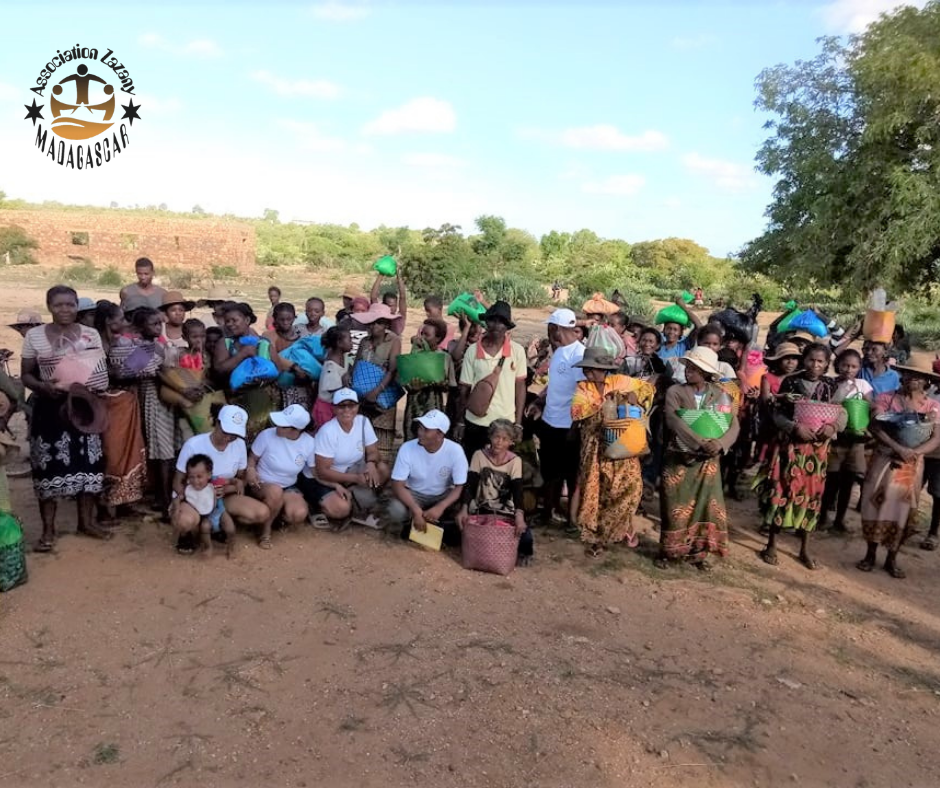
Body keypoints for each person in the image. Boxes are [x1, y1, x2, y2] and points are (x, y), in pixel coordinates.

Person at [21, 285, 111, 550]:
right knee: (47, 466)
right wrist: (41, 387)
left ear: (76, 306)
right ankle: (48, 531)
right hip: (49, 408)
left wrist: (95, 386)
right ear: (49, 307)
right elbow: (26, 374)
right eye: (59, 305)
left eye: (70, 305)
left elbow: (98, 369)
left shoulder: (90, 333)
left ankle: (86, 523)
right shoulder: (35, 336)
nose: (65, 310)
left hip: (84, 406)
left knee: (89, 464)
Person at [759, 343, 844, 569]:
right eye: (810, 360)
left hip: (817, 452)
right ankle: (772, 543)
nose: (815, 365)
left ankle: (804, 548)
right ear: (803, 360)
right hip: (792, 447)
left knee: (812, 496)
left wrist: (833, 427)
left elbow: (841, 412)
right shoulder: (791, 382)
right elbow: (777, 413)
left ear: (827, 364)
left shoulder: (831, 386)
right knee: (783, 489)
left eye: (820, 361)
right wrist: (794, 427)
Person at [658, 347, 740, 569]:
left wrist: (720, 444)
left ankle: (699, 552)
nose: (688, 372)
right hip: (679, 457)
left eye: (695, 369)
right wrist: (700, 442)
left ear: (706, 372)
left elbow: (732, 424)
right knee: (674, 505)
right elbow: (673, 420)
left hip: (709, 461)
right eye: (688, 368)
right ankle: (668, 551)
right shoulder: (675, 391)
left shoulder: (720, 393)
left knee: (706, 506)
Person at [569, 347, 654, 558]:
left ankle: (620, 527)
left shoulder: (620, 381)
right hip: (594, 447)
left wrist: (634, 398)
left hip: (621, 444)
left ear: (603, 369)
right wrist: (603, 400)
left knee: (630, 487)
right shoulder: (583, 388)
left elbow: (647, 390)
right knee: (597, 490)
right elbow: (577, 412)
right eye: (586, 369)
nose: (588, 373)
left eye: (593, 369)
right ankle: (599, 536)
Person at [857, 365, 940, 578]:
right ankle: (870, 553)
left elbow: (936, 439)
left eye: (918, 376)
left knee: (904, 508)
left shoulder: (932, 406)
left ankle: (892, 557)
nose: (912, 379)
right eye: (908, 374)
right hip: (885, 457)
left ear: (926, 381)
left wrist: (913, 452)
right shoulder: (886, 398)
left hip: (911, 464)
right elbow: (875, 426)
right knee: (875, 502)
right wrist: (899, 448)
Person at [171, 405, 270, 553]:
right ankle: (187, 533)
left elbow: (241, 479)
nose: (229, 438)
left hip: (221, 495)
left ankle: (216, 524)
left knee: (262, 513)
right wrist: (186, 499)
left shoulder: (239, 444)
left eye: (234, 435)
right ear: (217, 423)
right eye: (226, 432)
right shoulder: (194, 445)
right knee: (185, 521)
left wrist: (227, 489)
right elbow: (177, 481)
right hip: (192, 495)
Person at [525, 308, 584, 527]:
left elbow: (581, 392)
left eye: (550, 328)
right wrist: (540, 402)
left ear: (557, 328)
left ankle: (571, 518)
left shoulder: (579, 354)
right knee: (549, 470)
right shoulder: (559, 351)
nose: (549, 332)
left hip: (568, 424)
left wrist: (575, 425)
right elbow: (555, 385)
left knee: (569, 471)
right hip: (550, 419)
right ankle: (547, 512)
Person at [297, 388, 389, 527]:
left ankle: (358, 501)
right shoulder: (328, 432)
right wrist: (356, 479)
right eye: (341, 406)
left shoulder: (363, 422)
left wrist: (370, 464)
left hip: (349, 470)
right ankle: (315, 505)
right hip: (321, 479)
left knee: (382, 468)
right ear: (334, 409)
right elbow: (323, 472)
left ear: (358, 406)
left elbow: (373, 451)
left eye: (351, 405)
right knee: (341, 509)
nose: (347, 410)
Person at [455, 301, 527, 460]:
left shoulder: (517, 351)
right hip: (475, 421)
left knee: (499, 471)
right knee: (473, 467)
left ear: (507, 327)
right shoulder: (472, 351)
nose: (496, 325)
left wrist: (519, 423)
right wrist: (460, 422)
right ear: (486, 322)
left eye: (502, 322)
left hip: (505, 422)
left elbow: (520, 387)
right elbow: (464, 389)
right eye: (492, 320)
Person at [95, 301, 146, 518]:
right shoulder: (96, 343)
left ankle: (124, 502)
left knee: (128, 451)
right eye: (121, 318)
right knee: (110, 453)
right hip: (106, 405)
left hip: (124, 404)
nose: (125, 323)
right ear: (108, 321)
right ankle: (105, 506)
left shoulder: (119, 342)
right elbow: (104, 376)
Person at [458, 418, 533, 564]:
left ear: (511, 442)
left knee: (525, 536)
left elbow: (518, 491)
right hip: (481, 509)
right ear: (490, 437)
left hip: (505, 512)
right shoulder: (479, 455)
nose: (499, 442)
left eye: (505, 439)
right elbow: (471, 485)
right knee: (456, 529)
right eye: (496, 437)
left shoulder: (515, 461)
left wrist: (519, 515)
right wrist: (464, 509)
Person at [386, 409, 468, 543]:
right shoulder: (407, 448)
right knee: (395, 510)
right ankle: (417, 521)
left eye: (426, 430)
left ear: (440, 434)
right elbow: (398, 485)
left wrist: (441, 506)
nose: (420, 432)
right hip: (414, 493)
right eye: (420, 428)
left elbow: (460, 486)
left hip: (441, 494)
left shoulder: (455, 451)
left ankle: (425, 524)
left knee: (461, 512)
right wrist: (416, 509)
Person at [246, 405, 316, 549]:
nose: (277, 425)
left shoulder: (309, 442)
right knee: (275, 491)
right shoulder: (266, 435)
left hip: (288, 485)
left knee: (298, 514)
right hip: (262, 483)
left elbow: (314, 471)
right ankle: (265, 532)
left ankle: (273, 516)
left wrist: (336, 485)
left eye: (283, 425)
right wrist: (251, 469)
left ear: (296, 430)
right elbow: (252, 458)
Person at [131, 307, 178, 519]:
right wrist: (182, 389)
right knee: (163, 452)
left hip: (164, 397)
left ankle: (162, 497)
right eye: (153, 324)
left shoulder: (156, 345)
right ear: (141, 327)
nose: (159, 327)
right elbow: (154, 374)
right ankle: (166, 500)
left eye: (160, 324)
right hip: (154, 398)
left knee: (164, 451)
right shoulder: (142, 349)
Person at [819, 349, 872, 532]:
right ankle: (823, 515)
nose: (849, 369)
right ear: (837, 365)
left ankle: (839, 520)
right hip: (836, 439)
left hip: (856, 441)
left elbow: (868, 407)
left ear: (859, 368)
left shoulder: (863, 385)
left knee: (848, 482)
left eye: (854, 366)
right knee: (831, 480)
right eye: (845, 365)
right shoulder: (830, 383)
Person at [214, 302, 276, 441]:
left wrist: (262, 381)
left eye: (234, 320)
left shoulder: (264, 343)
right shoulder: (225, 344)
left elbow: (277, 370)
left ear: (247, 320)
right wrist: (242, 354)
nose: (230, 324)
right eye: (227, 321)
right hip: (237, 403)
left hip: (264, 405)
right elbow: (219, 370)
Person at [353, 302, 403, 462]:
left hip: (382, 393)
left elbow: (393, 369)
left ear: (386, 324)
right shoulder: (364, 342)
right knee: (362, 434)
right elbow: (356, 364)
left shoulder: (394, 341)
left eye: (379, 323)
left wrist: (378, 390)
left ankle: (380, 473)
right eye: (372, 322)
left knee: (382, 435)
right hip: (363, 394)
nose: (374, 326)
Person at [402, 318, 456, 439]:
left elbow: (450, 387)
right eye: (422, 333)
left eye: (427, 335)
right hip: (414, 408)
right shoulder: (414, 355)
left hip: (434, 408)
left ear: (438, 338)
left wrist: (442, 384)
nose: (422, 337)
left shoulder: (444, 357)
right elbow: (405, 383)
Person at [183, 453, 236, 558]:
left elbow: (232, 481)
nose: (195, 481)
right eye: (191, 477)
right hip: (206, 516)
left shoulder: (216, 481)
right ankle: (208, 547)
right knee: (204, 527)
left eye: (199, 477)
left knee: (230, 528)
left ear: (209, 475)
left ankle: (231, 548)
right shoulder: (189, 489)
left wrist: (234, 485)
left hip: (220, 511)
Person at [264, 302, 312, 411]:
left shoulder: (302, 336)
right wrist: (294, 367)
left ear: (294, 318)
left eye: (289, 319)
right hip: (277, 387)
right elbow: (270, 356)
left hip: (301, 385)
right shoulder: (268, 336)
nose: (285, 322)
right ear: (274, 319)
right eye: (281, 319)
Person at [314, 326, 352, 428]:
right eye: (349, 339)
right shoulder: (331, 367)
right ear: (339, 343)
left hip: (335, 406)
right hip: (327, 409)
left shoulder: (344, 356)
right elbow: (334, 392)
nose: (352, 342)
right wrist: (345, 383)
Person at [158, 290, 195, 354]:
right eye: (173, 310)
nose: (178, 313)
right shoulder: (159, 329)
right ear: (166, 313)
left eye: (181, 310)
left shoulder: (190, 329)